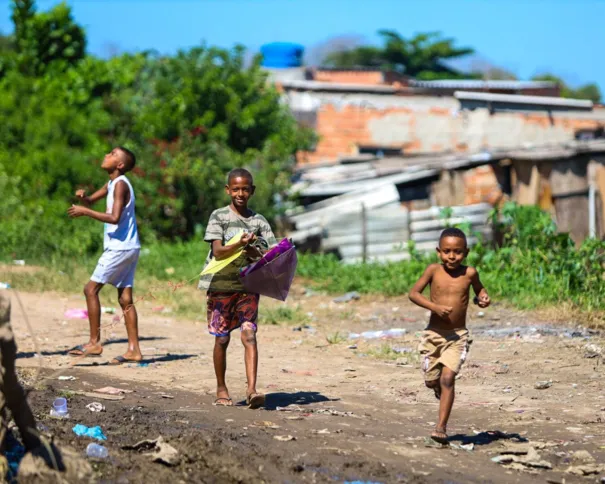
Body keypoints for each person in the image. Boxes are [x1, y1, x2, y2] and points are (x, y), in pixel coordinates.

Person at [199, 168, 276, 409]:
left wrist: (257, 251)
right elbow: (219, 250)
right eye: (235, 189)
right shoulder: (219, 217)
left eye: (245, 189)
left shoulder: (259, 221)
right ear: (228, 190)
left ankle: (252, 390)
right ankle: (221, 388)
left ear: (252, 191)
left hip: (248, 287)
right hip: (220, 287)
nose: (240, 193)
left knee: (249, 334)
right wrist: (239, 244)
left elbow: (270, 253)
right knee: (222, 340)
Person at [408, 227, 490, 444]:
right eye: (447, 251)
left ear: (466, 252)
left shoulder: (470, 273)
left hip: (457, 337)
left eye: (457, 252)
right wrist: (434, 307)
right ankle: (437, 388)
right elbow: (413, 294)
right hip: (433, 336)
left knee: (447, 379)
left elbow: (479, 292)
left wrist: (482, 298)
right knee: (431, 380)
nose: (452, 256)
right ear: (438, 251)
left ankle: (441, 427)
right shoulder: (433, 271)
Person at [67, 147, 142, 365]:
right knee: (125, 299)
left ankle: (94, 342)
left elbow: (115, 217)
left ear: (119, 165)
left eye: (112, 155)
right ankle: (134, 349)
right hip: (130, 246)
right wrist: (85, 199)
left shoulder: (120, 185)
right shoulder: (112, 183)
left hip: (119, 248)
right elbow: (91, 201)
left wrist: (85, 212)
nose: (106, 155)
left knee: (90, 289)